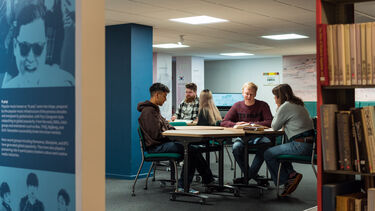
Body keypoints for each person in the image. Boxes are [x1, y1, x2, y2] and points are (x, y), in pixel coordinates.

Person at [137, 83, 215, 194]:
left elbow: (165, 124)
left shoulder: (154, 110)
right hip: (156, 147)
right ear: (157, 95)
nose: (165, 99)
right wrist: (174, 137)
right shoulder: (148, 112)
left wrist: (171, 130)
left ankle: (208, 180)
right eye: (164, 96)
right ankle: (185, 185)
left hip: (160, 144)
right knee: (191, 150)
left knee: (192, 149)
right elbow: (156, 135)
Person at [2, 4, 74, 88]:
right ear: (15, 47)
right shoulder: (9, 89)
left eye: (37, 48)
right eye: (24, 47)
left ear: (46, 48)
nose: (30, 58)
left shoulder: (64, 84)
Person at [264, 84, 314, 196]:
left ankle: (286, 181)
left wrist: (278, 108)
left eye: (275, 96)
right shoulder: (299, 104)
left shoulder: (285, 106)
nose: (274, 99)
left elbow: (275, 126)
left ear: (280, 97)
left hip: (300, 146)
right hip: (310, 145)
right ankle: (292, 174)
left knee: (268, 153)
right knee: (280, 151)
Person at [221, 82, 273, 184]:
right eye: (246, 93)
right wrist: (235, 124)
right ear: (242, 93)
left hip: (259, 137)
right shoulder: (237, 106)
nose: (248, 96)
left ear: (255, 94)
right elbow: (224, 122)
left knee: (266, 144)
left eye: (251, 94)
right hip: (242, 137)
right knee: (236, 148)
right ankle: (253, 176)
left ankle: (247, 177)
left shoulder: (263, 105)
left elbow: (270, 121)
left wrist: (251, 124)